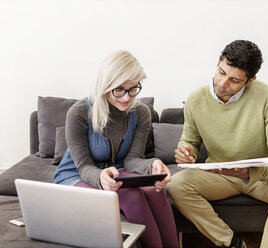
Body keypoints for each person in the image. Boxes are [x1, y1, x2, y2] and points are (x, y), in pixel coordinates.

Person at [167, 40, 268, 248]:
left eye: (234, 80)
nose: (223, 83)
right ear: (218, 62)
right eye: (221, 72)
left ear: (249, 81)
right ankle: (230, 242)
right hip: (221, 174)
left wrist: (252, 172)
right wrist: (186, 151)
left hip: (261, 176)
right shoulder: (196, 99)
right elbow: (190, 141)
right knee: (176, 185)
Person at [54, 50, 179, 248]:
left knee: (155, 190)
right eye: (119, 90)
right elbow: (84, 166)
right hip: (76, 175)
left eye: (133, 89)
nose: (126, 98)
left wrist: (153, 164)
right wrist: (100, 177)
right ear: (105, 86)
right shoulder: (79, 113)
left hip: (117, 171)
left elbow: (133, 160)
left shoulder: (141, 113)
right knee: (131, 195)